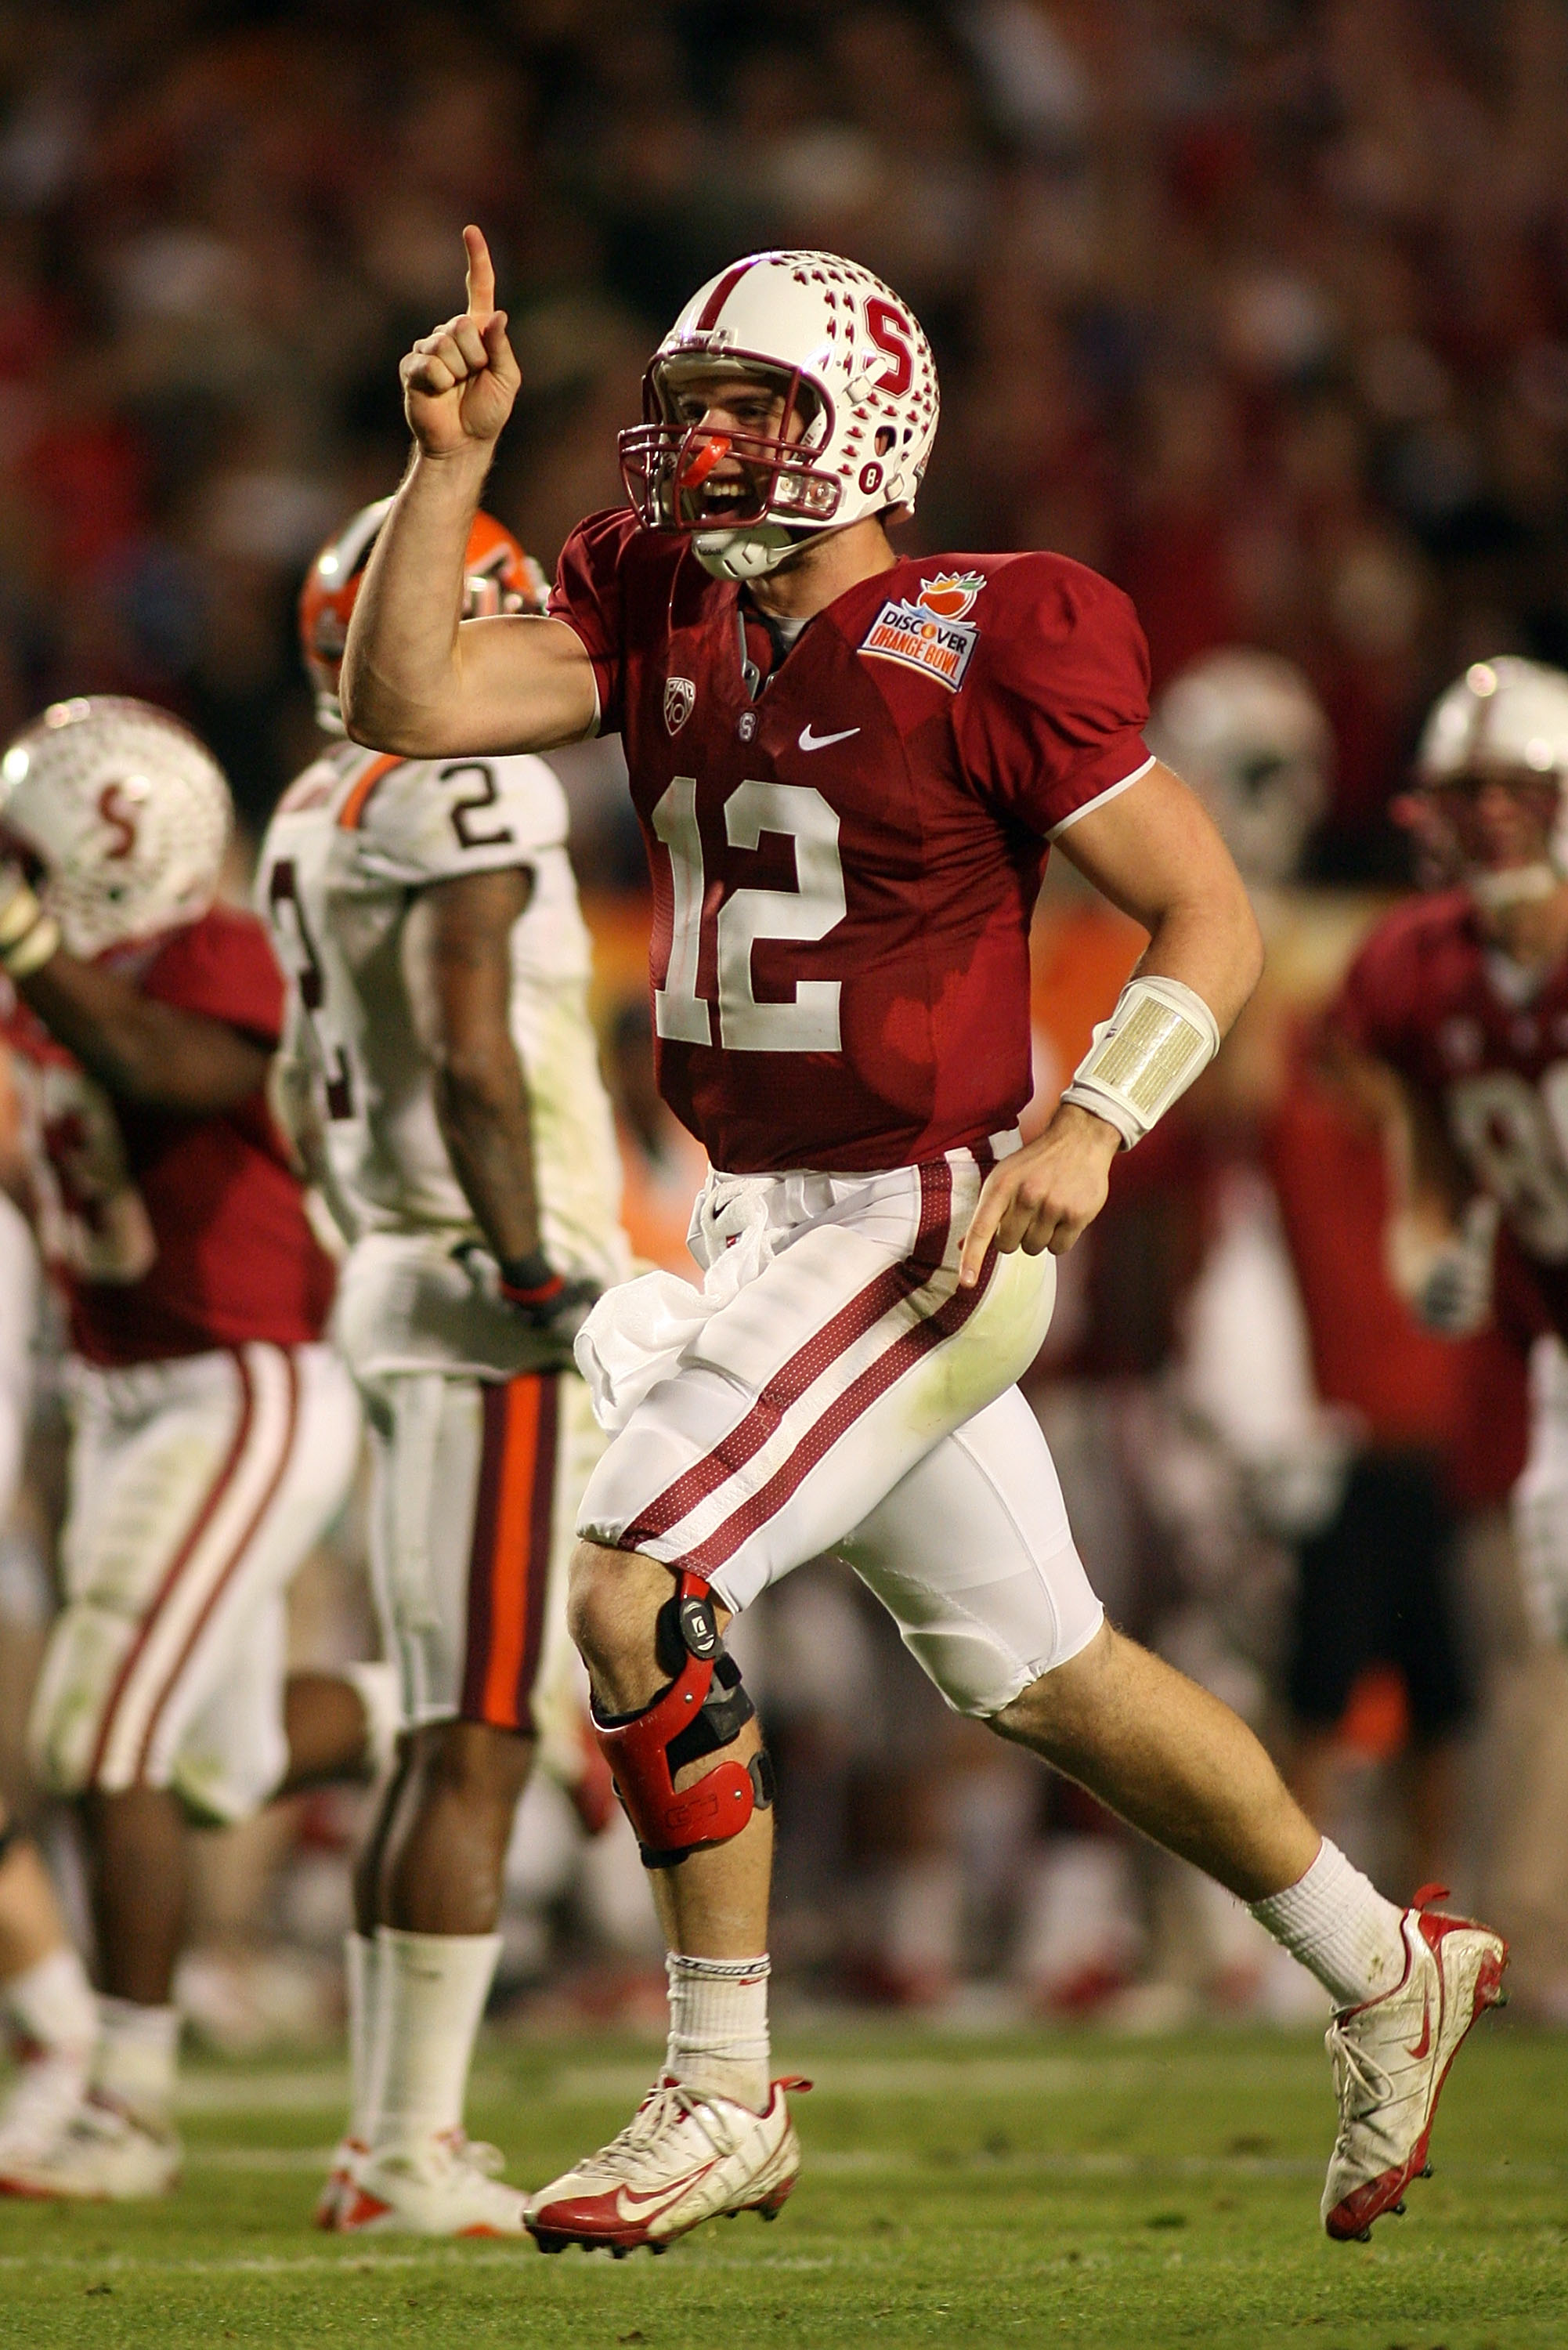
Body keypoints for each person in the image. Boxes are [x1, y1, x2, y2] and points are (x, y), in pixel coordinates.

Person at [341, 227, 1507, 2255]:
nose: (702, 447)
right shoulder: (647, 604)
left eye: (749, 410)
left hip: (916, 1221)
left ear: (865, 422)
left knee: (635, 1592)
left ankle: (719, 2090)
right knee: (1047, 1675)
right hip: (758, 1220)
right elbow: (414, 696)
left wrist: (1092, 1115)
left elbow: (1209, 917)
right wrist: (450, 466)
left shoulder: (994, 630)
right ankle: (1382, 1964)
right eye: (690, 407)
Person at [258, 504, 630, 2234]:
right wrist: (537, 1263)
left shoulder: (308, 804)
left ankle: (384, 2136)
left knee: (438, 1731)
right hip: (489, 1300)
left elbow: (291, 1091)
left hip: (396, 1275)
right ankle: (404, 2148)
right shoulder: (458, 788)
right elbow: (473, 1043)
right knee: (478, 1728)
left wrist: (386, 1231)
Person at [0, 697, 389, 2198]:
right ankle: (477, 1703)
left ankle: (128, 2112)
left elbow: (178, 1075)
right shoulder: (56, 985)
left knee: (98, 1741)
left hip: (243, 1380)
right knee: (210, 1760)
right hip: (119, 1399)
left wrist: (30, 953)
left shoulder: (212, 951)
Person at [1329, 659, 1568, 1650]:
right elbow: (1423, 1183)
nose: (1492, 819)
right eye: (1468, 796)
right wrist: (1429, 1269)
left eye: (1519, 792)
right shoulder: (1411, 968)